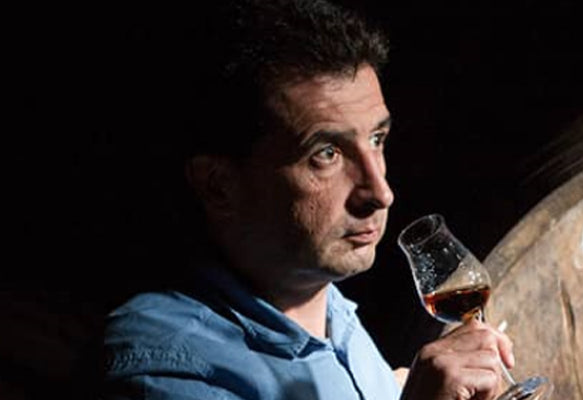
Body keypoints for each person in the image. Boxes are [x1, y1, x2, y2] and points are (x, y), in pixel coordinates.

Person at [102, 0, 517, 399]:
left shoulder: (328, 309)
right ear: (218, 186)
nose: (380, 192)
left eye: (377, 139)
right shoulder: (169, 373)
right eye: (326, 155)